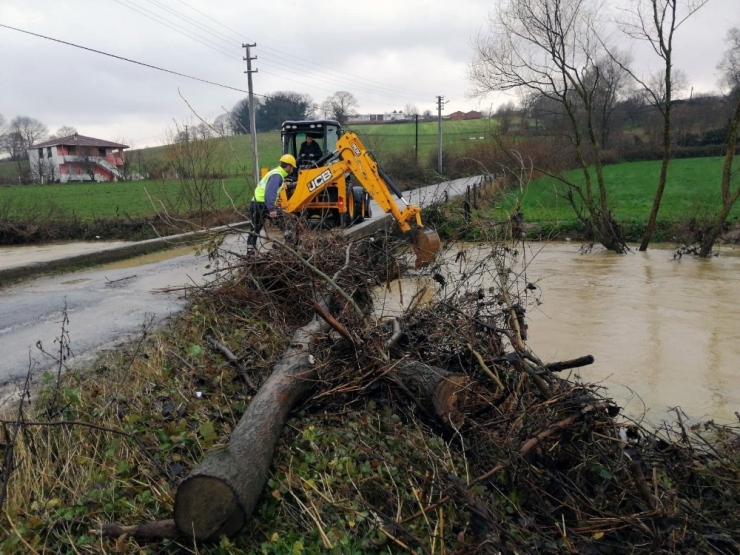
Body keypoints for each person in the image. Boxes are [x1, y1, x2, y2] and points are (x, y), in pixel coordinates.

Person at [248, 154, 296, 250]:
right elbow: (270, 192)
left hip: (255, 203)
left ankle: (250, 251)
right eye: (292, 168)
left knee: (255, 228)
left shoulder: (274, 173)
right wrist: (271, 209)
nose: (293, 170)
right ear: (289, 167)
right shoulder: (277, 176)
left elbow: (275, 188)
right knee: (286, 220)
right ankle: (291, 247)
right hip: (264, 204)